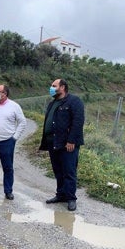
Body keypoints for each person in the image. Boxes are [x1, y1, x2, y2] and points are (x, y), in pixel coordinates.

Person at [39, 78, 85, 211]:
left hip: (67, 144)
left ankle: (71, 198)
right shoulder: (53, 103)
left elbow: (78, 122)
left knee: (69, 171)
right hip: (53, 142)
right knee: (58, 170)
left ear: (63, 87)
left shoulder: (74, 101)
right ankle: (61, 195)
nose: (51, 88)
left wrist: (71, 140)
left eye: (54, 86)